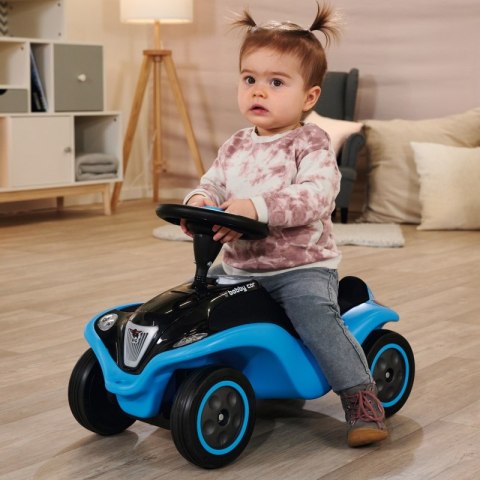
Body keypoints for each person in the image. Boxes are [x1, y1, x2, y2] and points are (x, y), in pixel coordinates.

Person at [181, 2, 388, 448]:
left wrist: (255, 207)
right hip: (239, 266)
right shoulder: (236, 145)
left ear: (309, 97)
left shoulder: (309, 143)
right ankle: (196, 376)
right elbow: (213, 183)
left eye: (276, 82)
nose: (259, 91)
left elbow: (316, 197)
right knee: (194, 302)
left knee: (316, 317)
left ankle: (361, 397)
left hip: (300, 268)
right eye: (249, 79)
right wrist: (199, 200)